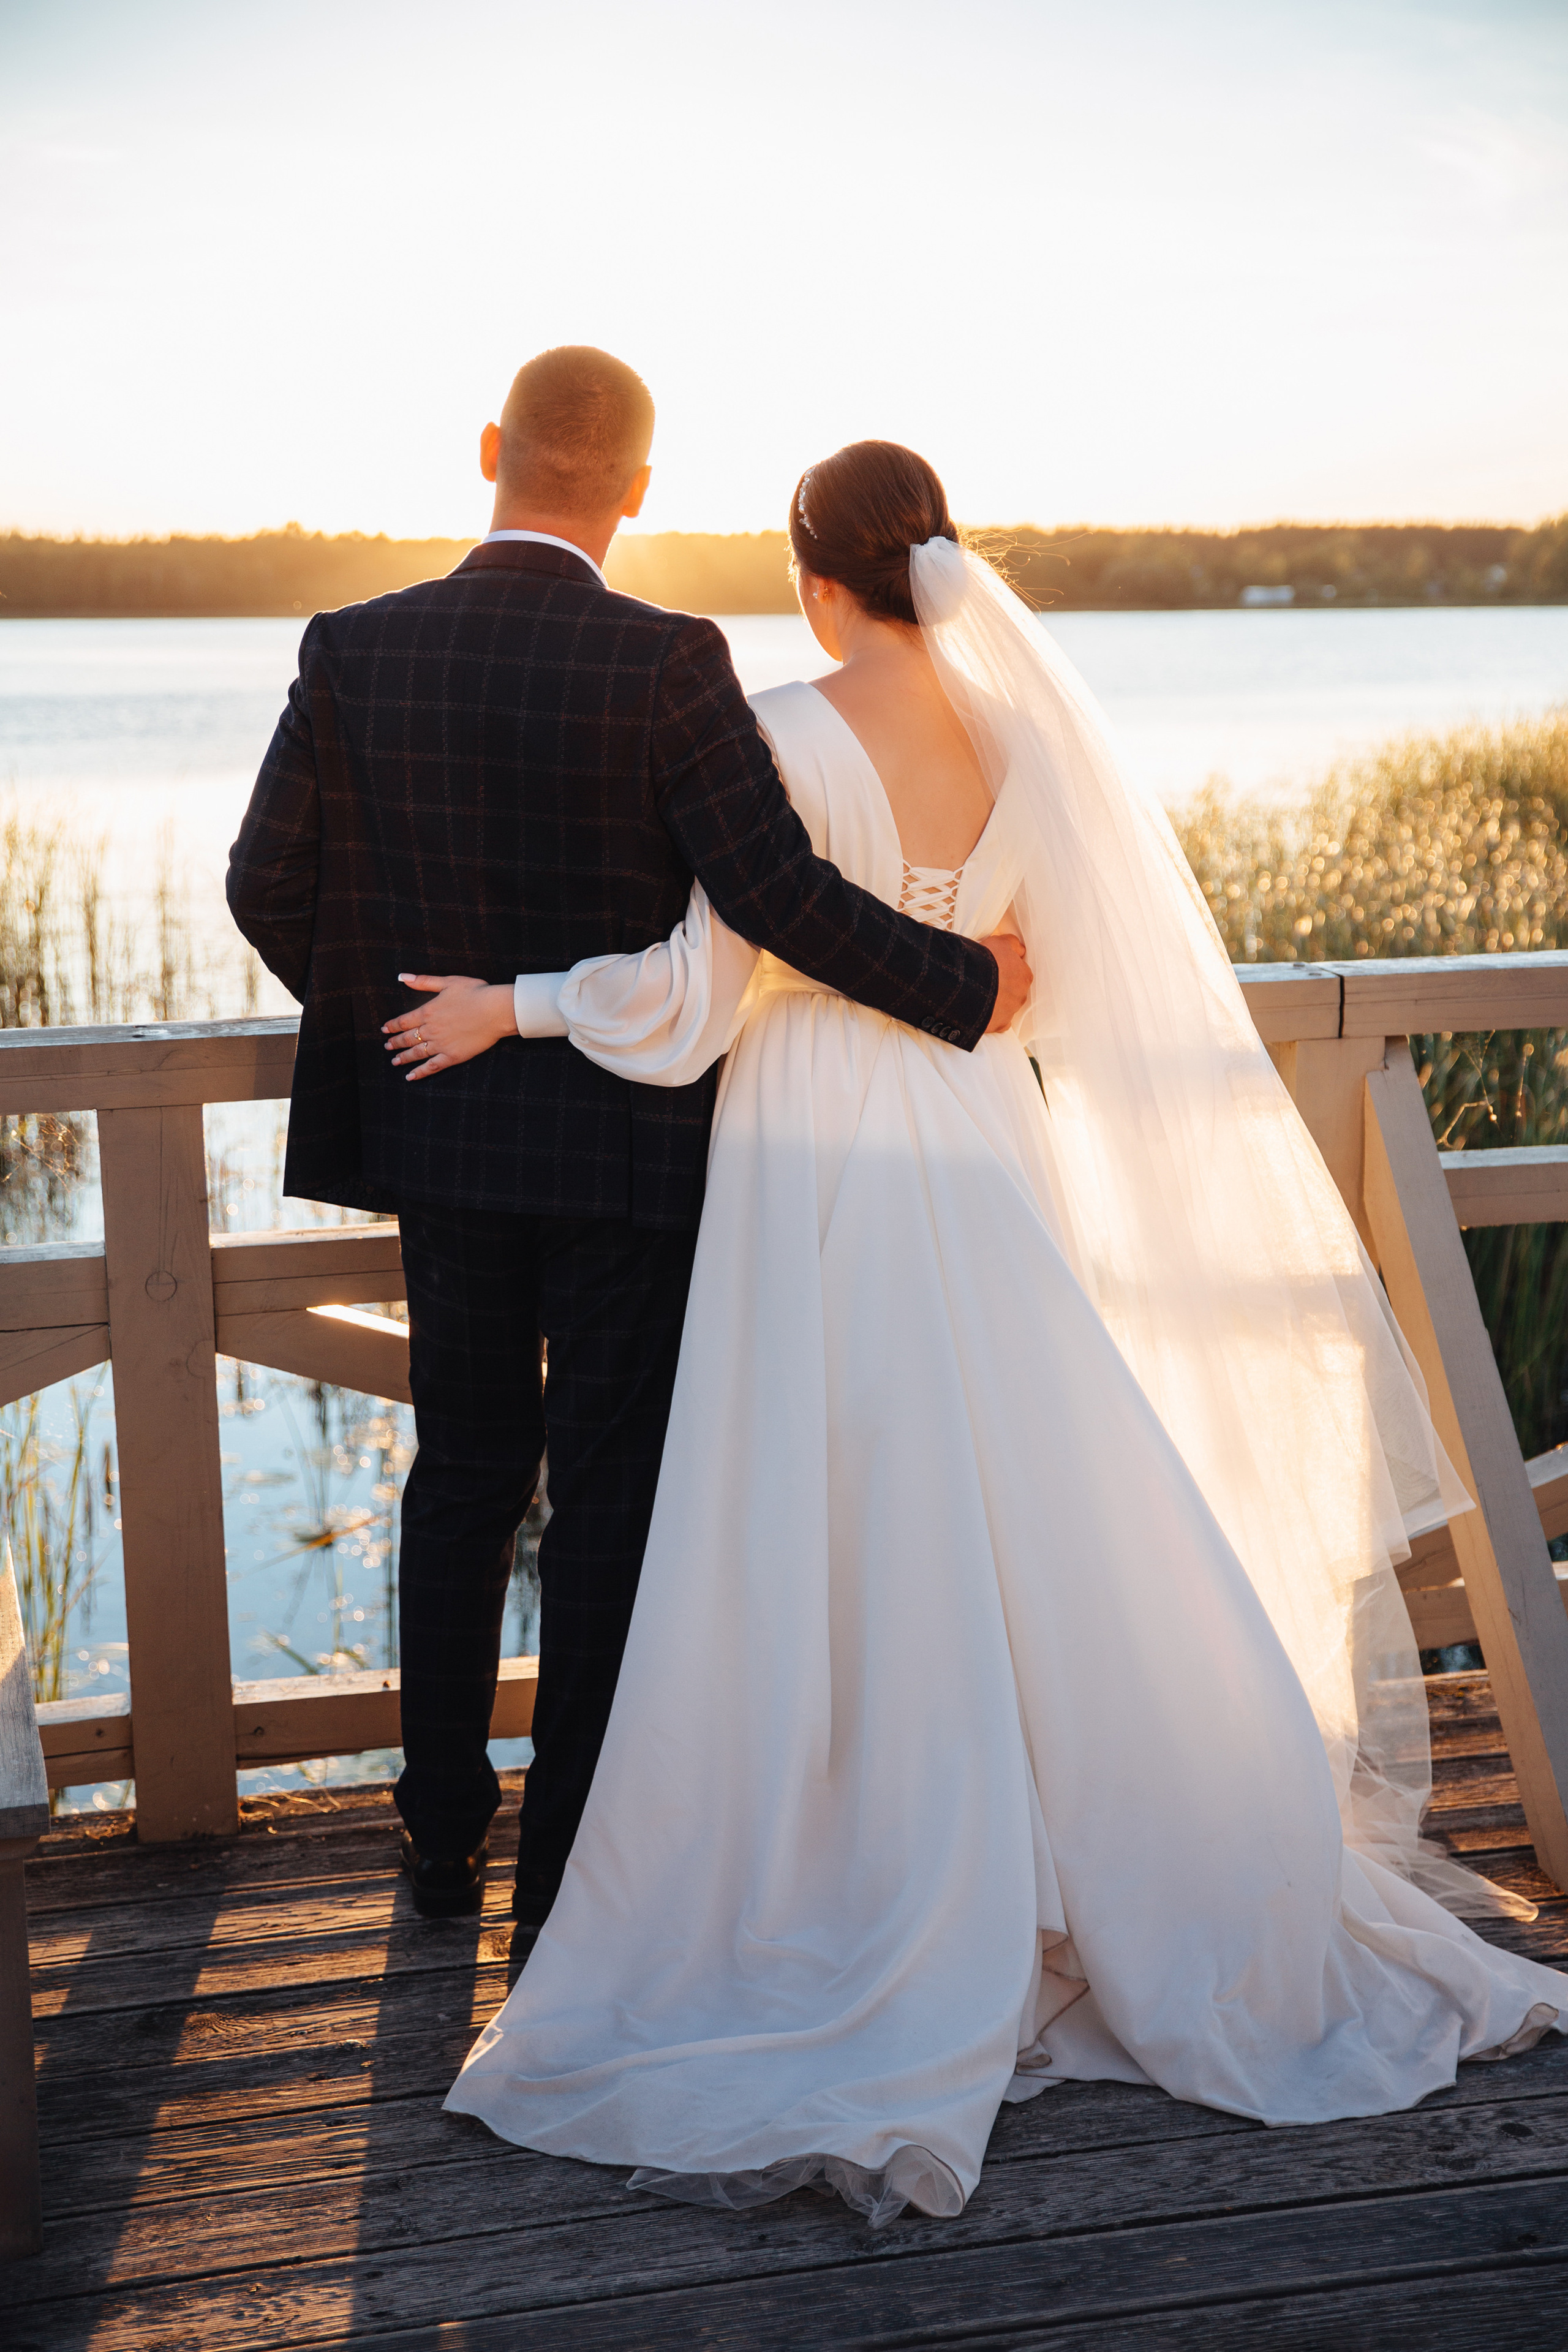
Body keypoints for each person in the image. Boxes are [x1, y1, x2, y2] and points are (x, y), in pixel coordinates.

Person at [388, 440, 1563, 2226]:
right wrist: (982, 976)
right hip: (979, 1130)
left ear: (813, 567)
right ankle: (1059, 1855)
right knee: (1022, 1497)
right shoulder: (1029, 733)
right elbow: (1064, 976)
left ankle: (875, 1860)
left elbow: (703, 996)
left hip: (818, 1147)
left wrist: (518, 1003)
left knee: (840, 1496)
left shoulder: (779, 721)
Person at [225, 361, 1030, 1942]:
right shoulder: (676, 660)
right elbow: (777, 898)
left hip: (445, 1145)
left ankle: (440, 1836)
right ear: (640, 491)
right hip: (634, 1154)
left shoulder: (350, 646)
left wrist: (396, 1030)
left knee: (457, 1478)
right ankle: (566, 1883)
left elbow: (268, 882)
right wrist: (966, 984)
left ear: (488, 456)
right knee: (606, 1505)